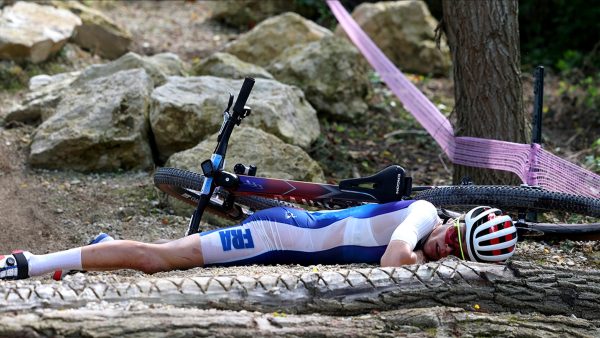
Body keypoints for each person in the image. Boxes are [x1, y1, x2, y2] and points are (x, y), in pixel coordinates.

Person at [0, 200, 517, 281]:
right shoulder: (425, 215)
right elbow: (392, 257)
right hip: (277, 233)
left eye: (458, 253)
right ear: (455, 221)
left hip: (287, 235)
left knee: (154, 253)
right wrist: (429, 262)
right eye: (455, 238)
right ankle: (29, 262)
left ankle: (102, 246)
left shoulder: (435, 237)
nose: (446, 248)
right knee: (158, 261)